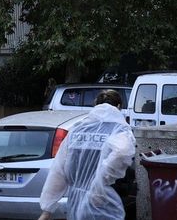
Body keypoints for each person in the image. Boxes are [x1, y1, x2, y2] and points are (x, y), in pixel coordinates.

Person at [38, 89, 136, 220]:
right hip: (103, 203)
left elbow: (58, 169)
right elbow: (122, 151)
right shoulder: (119, 129)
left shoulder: (78, 129)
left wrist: (47, 209)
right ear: (118, 106)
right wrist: (99, 186)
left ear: (96, 105)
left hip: (76, 204)